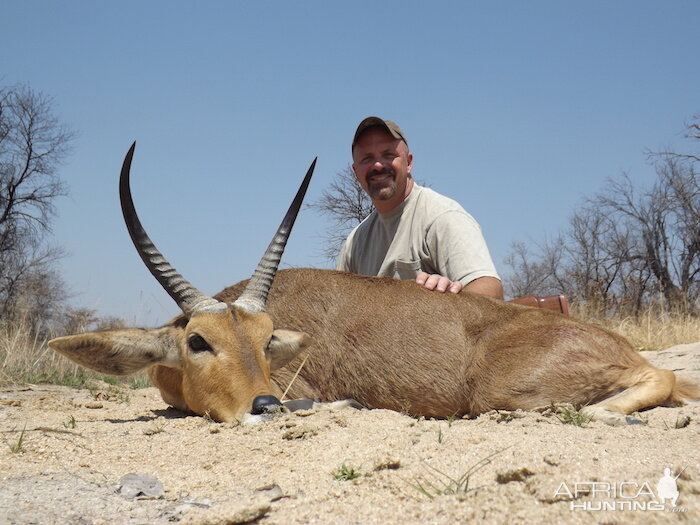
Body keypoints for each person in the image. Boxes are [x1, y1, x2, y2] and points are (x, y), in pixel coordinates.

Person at [336, 116, 504, 300]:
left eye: (388, 155)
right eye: (367, 158)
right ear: (355, 171)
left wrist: (449, 299)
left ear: (408, 163)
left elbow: (490, 291)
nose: (378, 165)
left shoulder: (442, 216)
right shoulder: (354, 243)